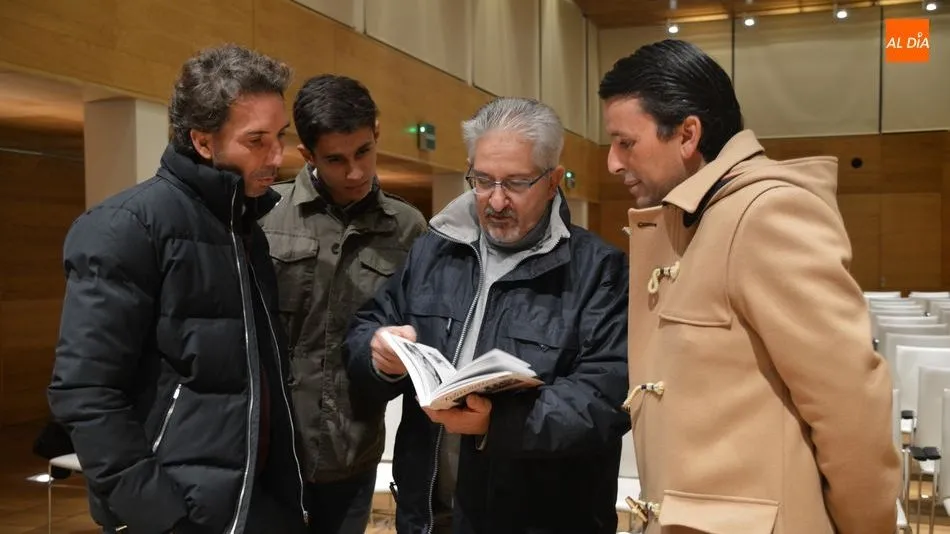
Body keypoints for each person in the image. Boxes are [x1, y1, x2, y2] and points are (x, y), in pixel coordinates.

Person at [599, 39, 901, 534]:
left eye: (625, 142)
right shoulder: (697, 219)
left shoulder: (767, 213)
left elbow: (851, 411)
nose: (612, 162)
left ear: (687, 134)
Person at [48, 44, 308, 534]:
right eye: (256, 141)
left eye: (280, 137)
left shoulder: (243, 226)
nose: (277, 156)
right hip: (180, 513)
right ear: (203, 141)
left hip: (257, 503)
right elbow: (87, 394)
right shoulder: (126, 227)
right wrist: (161, 519)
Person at [344, 97, 631, 534]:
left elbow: (606, 399)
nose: (496, 200)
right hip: (429, 515)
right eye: (482, 180)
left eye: (516, 183)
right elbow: (368, 325)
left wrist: (499, 423)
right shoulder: (433, 250)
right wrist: (376, 352)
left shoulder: (598, 271)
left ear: (553, 181)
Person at [260, 74, 427, 534]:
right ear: (307, 156)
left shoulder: (408, 228)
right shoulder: (264, 216)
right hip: (271, 450)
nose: (354, 172)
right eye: (335, 160)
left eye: (363, 153)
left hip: (353, 451)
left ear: (377, 133)